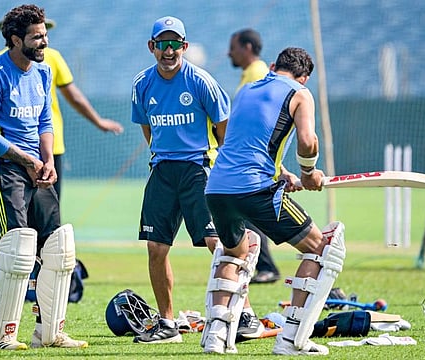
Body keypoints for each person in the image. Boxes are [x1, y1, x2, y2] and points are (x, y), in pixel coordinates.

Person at [202, 47, 346, 355]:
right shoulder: (300, 93)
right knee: (320, 248)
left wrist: (282, 174)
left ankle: (215, 335)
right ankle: (292, 338)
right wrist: (309, 174)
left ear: (272, 67)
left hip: (217, 187)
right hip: (254, 189)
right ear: (304, 78)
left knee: (234, 253)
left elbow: (239, 143)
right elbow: (308, 142)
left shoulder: (245, 90)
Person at [131, 15, 264, 344]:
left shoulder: (202, 82)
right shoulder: (142, 85)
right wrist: (164, 157)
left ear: (185, 47)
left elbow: (224, 132)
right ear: (152, 47)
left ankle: (244, 313)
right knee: (156, 248)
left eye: (176, 43)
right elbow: (149, 130)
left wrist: (226, 173)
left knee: (217, 243)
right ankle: (167, 323)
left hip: (199, 169)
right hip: (162, 171)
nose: (169, 50)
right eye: (163, 44)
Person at [0, 4, 87, 350]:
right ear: (14, 39)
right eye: (37, 37)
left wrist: (47, 158)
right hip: (4, 166)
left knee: (56, 247)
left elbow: (44, 122)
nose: (44, 43)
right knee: (18, 246)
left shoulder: (42, 72)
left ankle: (48, 333)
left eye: (45, 36)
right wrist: (25, 159)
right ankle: (2, 335)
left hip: (38, 166)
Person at [0, 18, 124, 199]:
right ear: (16, 38)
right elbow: (74, 96)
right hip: (42, 144)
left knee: (21, 213)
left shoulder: (0, 60)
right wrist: (98, 121)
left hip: (22, 144)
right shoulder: (51, 56)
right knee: (46, 212)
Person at [228, 28, 281, 285]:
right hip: (249, 157)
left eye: (233, 46)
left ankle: (266, 266)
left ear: (247, 47)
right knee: (247, 211)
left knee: (252, 210)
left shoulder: (258, 74)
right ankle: (258, 264)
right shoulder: (250, 74)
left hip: (253, 158)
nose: (229, 52)